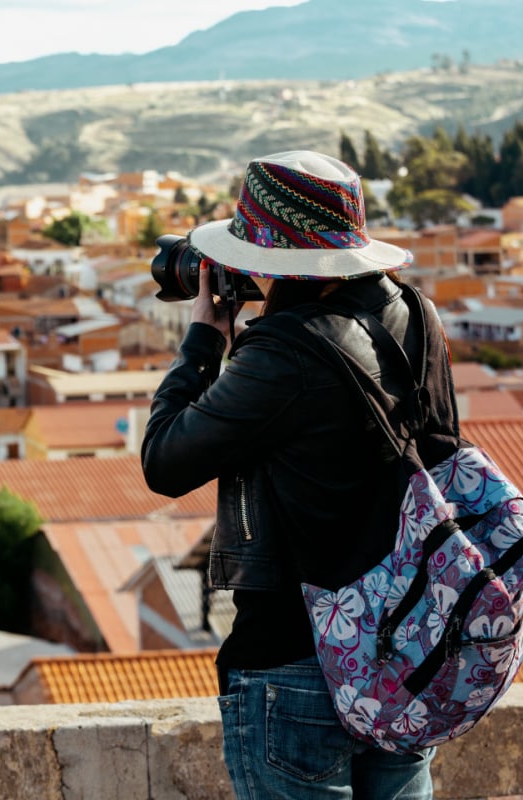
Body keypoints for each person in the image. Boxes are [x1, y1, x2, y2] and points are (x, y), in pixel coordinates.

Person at [141, 150, 458, 799]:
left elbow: (165, 461)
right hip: (404, 648)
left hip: (295, 661)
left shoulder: (284, 353)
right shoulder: (415, 316)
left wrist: (204, 340)